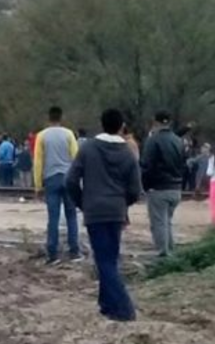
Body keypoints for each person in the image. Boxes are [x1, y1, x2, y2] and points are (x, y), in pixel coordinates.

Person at [66, 108, 142, 323]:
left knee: (104, 261)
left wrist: (82, 202)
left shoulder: (89, 148)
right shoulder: (127, 153)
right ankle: (107, 305)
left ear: (101, 124)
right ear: (121, 126)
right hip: (117, 212)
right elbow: (136, 189)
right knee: (110, 257)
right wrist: (122, 204)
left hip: (94, 211)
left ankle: (125, 308)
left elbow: (70, 180)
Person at [34, 106, 82, 264]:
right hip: (68, 178)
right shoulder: (69, 134)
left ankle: (52, 254)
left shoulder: (41, 136)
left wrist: (38, 185)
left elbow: (38, 161)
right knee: (71, 215)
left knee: (53, 217)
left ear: (48, 118)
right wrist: (79, 180)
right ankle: (74, 251)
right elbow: (76, 158)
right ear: (62, 118)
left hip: (51, 178)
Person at [140, 111, 186, 258]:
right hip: (176, 188)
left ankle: (163, 255)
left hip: (159, 188)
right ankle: (171, 251)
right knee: (167, 222)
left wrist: (145, 186)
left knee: (159, 223)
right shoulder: (178, 140)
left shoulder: (153, 140)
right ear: (169, 122)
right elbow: (184, 164)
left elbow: (146, 165)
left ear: (155, 122)